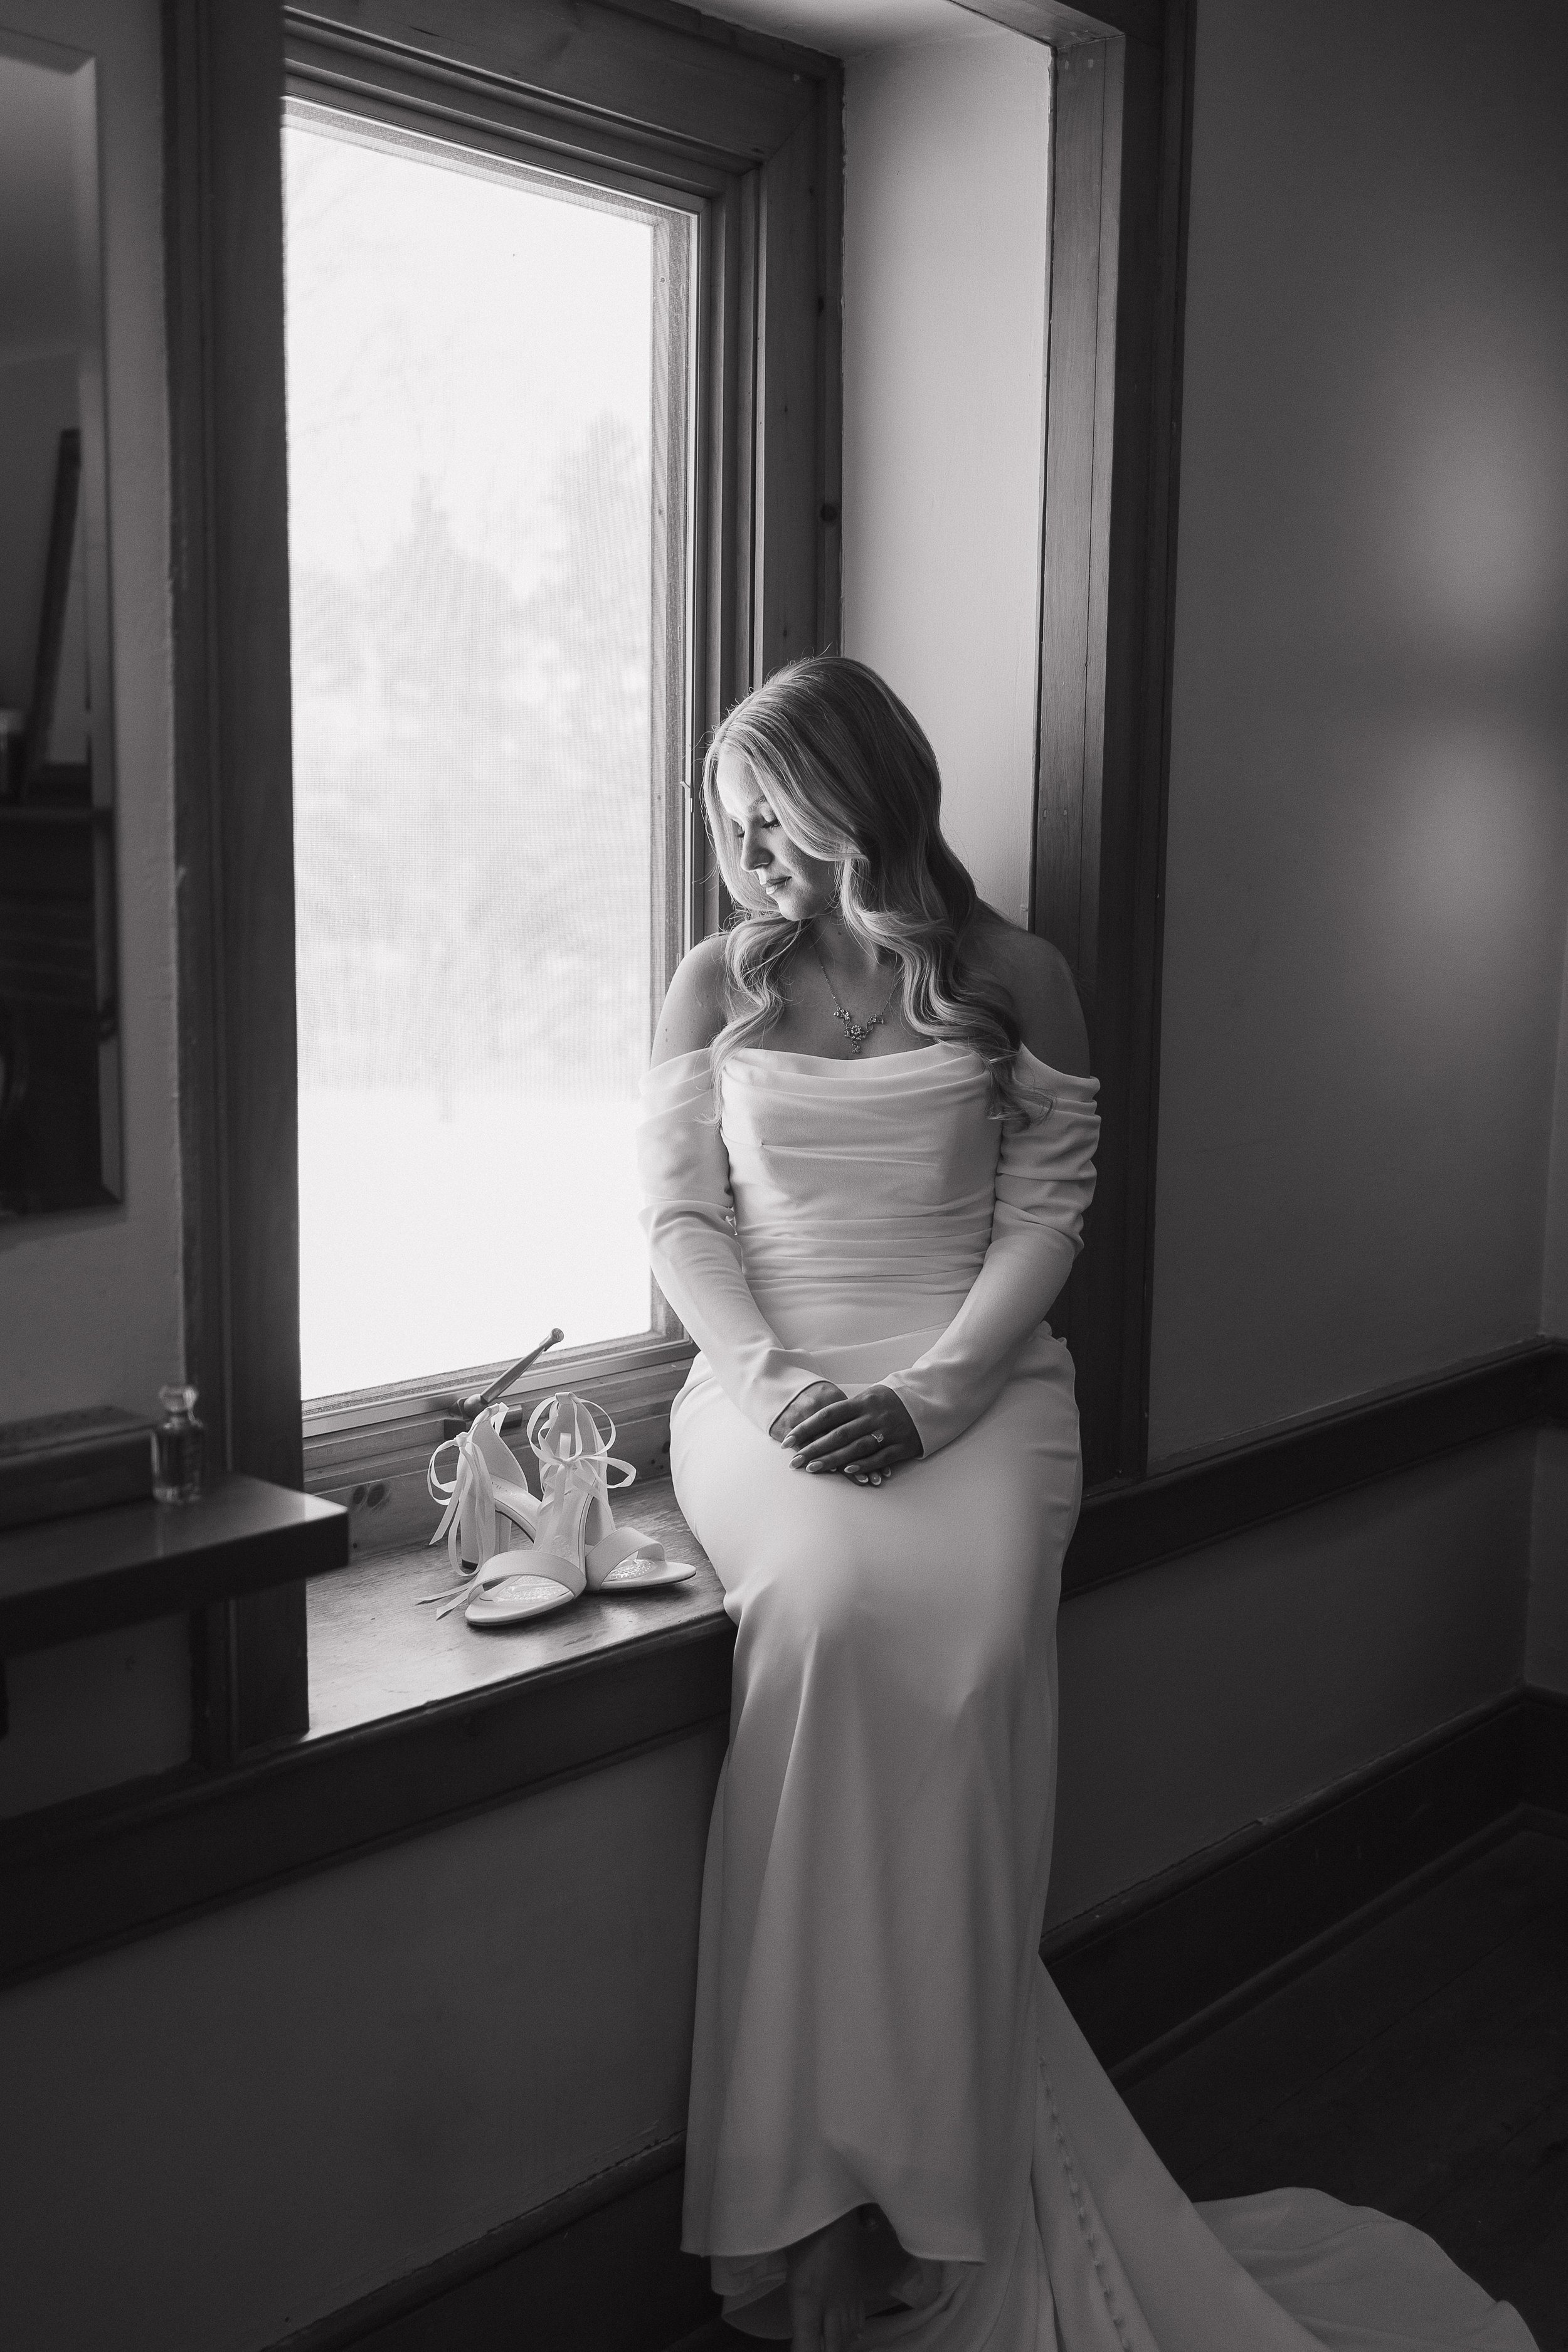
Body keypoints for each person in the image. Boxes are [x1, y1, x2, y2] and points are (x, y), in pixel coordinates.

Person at [636, 656, 1535, 2352]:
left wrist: (933, 1397)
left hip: (976, 1395)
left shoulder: (1013, 974)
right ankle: (811, 2204)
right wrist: (773, 1387)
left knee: (965, 1664)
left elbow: (1049, 1215)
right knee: (819, 1629)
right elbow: (681, 1224)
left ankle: (934, 2184)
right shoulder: (714, 985)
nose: (744, 845)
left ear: (860, 797)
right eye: (725, 814)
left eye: (771, 808)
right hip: (770, 1398)